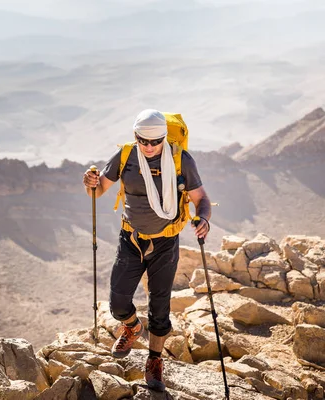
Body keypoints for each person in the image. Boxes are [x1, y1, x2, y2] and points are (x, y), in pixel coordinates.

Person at [82, 109, 211, 392]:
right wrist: (90, 184)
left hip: (165, 241)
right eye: (143, 141)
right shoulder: (126, 156)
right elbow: (98, 189)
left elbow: (201, 198)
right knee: (117, 300)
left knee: (160, 305)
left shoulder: (180, 160)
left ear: (165, 137)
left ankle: (154, 360)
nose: (150, 147)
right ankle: (131, 326)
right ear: (135, 137)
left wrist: (203, 219)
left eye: (156, 141)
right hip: (131, 238)